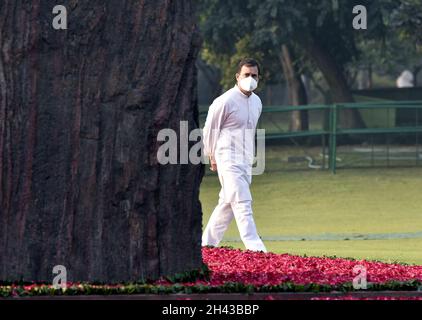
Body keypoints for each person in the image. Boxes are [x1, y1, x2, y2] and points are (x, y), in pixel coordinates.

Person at [201, 58, 267, 253]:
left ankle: (207, 245)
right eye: (246, 75)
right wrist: (211, 155)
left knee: (227, 204)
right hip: (227, 158)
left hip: (246, 161)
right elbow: (210, 130)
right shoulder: (225, 101)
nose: (250, 79)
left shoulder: (257, 102)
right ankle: (257, 249)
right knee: (242, 201)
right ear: (237, 77)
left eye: (254, 75)